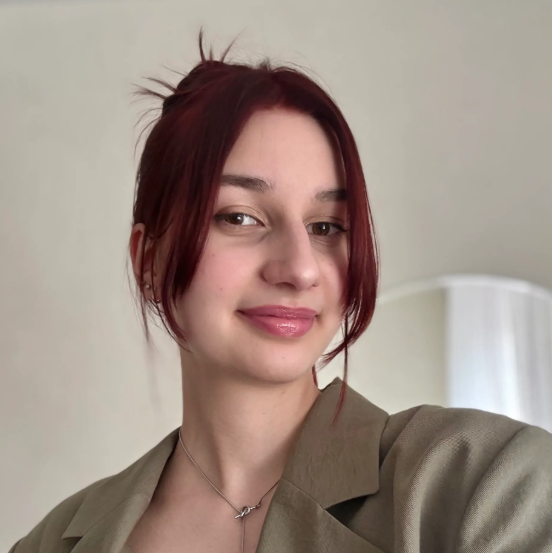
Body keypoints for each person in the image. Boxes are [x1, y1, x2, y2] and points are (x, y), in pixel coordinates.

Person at [9, 32, 552, 553]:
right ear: (148, 260)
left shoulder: (483, 484)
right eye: (239, 217)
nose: (300, 268)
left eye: (326, 226)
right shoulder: (51, 545)